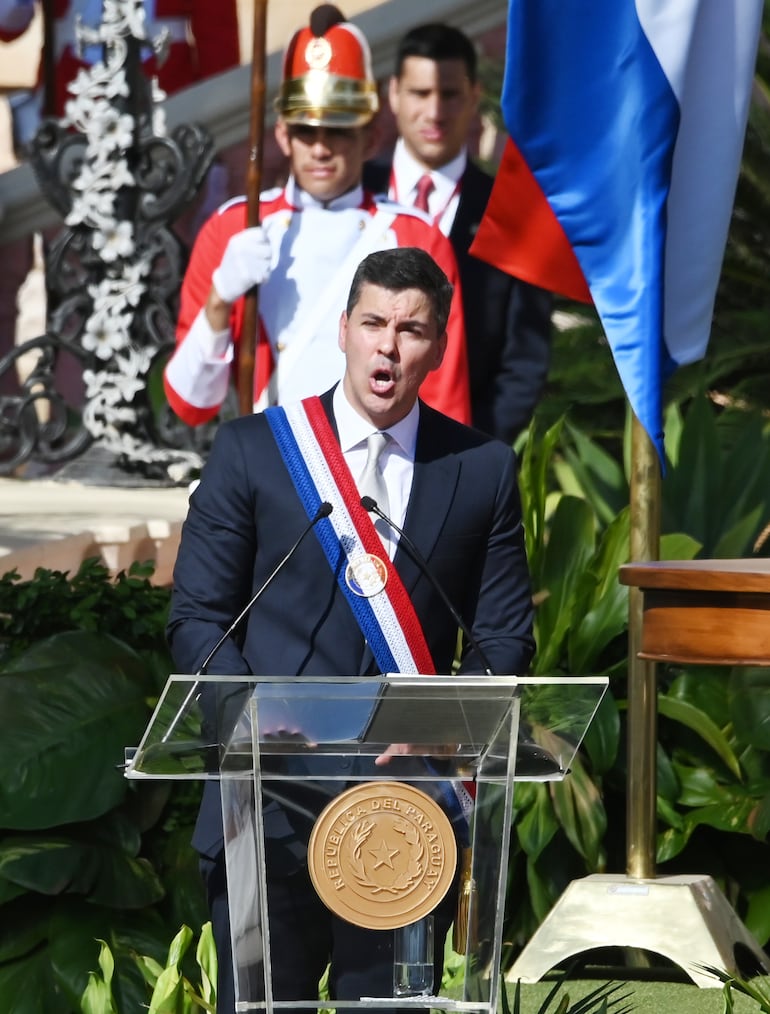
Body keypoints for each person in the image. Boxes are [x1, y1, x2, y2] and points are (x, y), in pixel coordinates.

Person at [167, 246, 535, 1012]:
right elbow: (199, 616)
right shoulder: (253, 453)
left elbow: (501, 639)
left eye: (411, 329)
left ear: (436, 345)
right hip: (265, 803)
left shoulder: (482, 469)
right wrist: (254, 726)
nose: (388, 346)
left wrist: (440, 729)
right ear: (343, 330)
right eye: (373, 322)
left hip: (406, 806)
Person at [164, 5, 471, 429]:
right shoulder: (232, 227)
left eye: (339, 130)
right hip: (271, 469)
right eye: (306, 130)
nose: (321, 148)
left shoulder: (417, 236)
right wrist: (220, 300)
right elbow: (189, 404)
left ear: (371, 137)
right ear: (282, 136)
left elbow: (443, 399)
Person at [364, 22, 552, 444]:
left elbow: (525, 359)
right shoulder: (355, 196)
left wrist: (469, 450)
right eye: (420, 93)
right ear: (393, 94)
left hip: (461, 452)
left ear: (474, 97)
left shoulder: (513, 212)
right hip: (341, 449)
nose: (435, 112)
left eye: (449, 95)